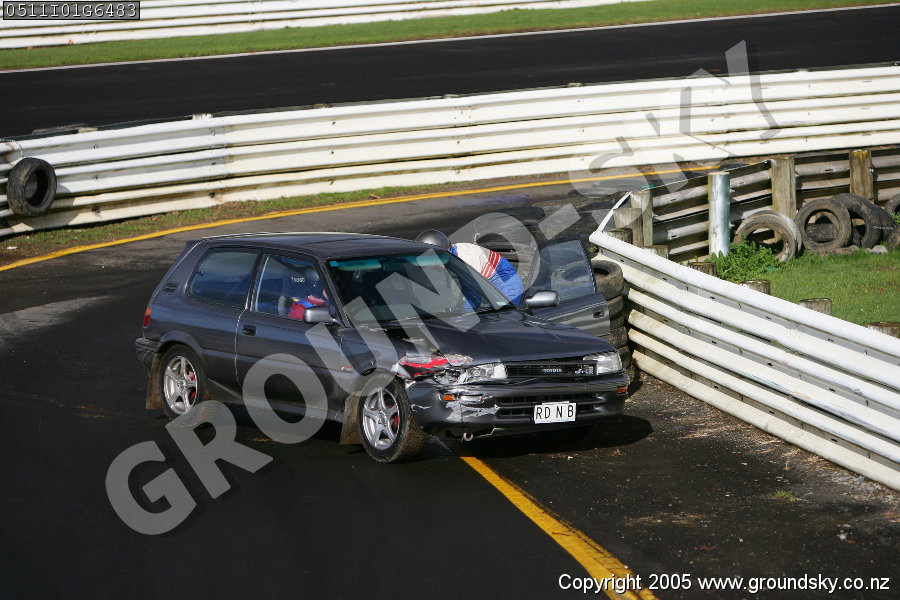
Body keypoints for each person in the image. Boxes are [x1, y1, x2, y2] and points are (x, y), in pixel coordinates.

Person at [415, 230, 525, 306]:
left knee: (504, 316)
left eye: (432, 262)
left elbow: (477, 295)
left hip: (505, 282)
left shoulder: (469, 260)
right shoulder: (451, 255)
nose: (430, 267)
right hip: (485, 281)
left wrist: (462, 316)